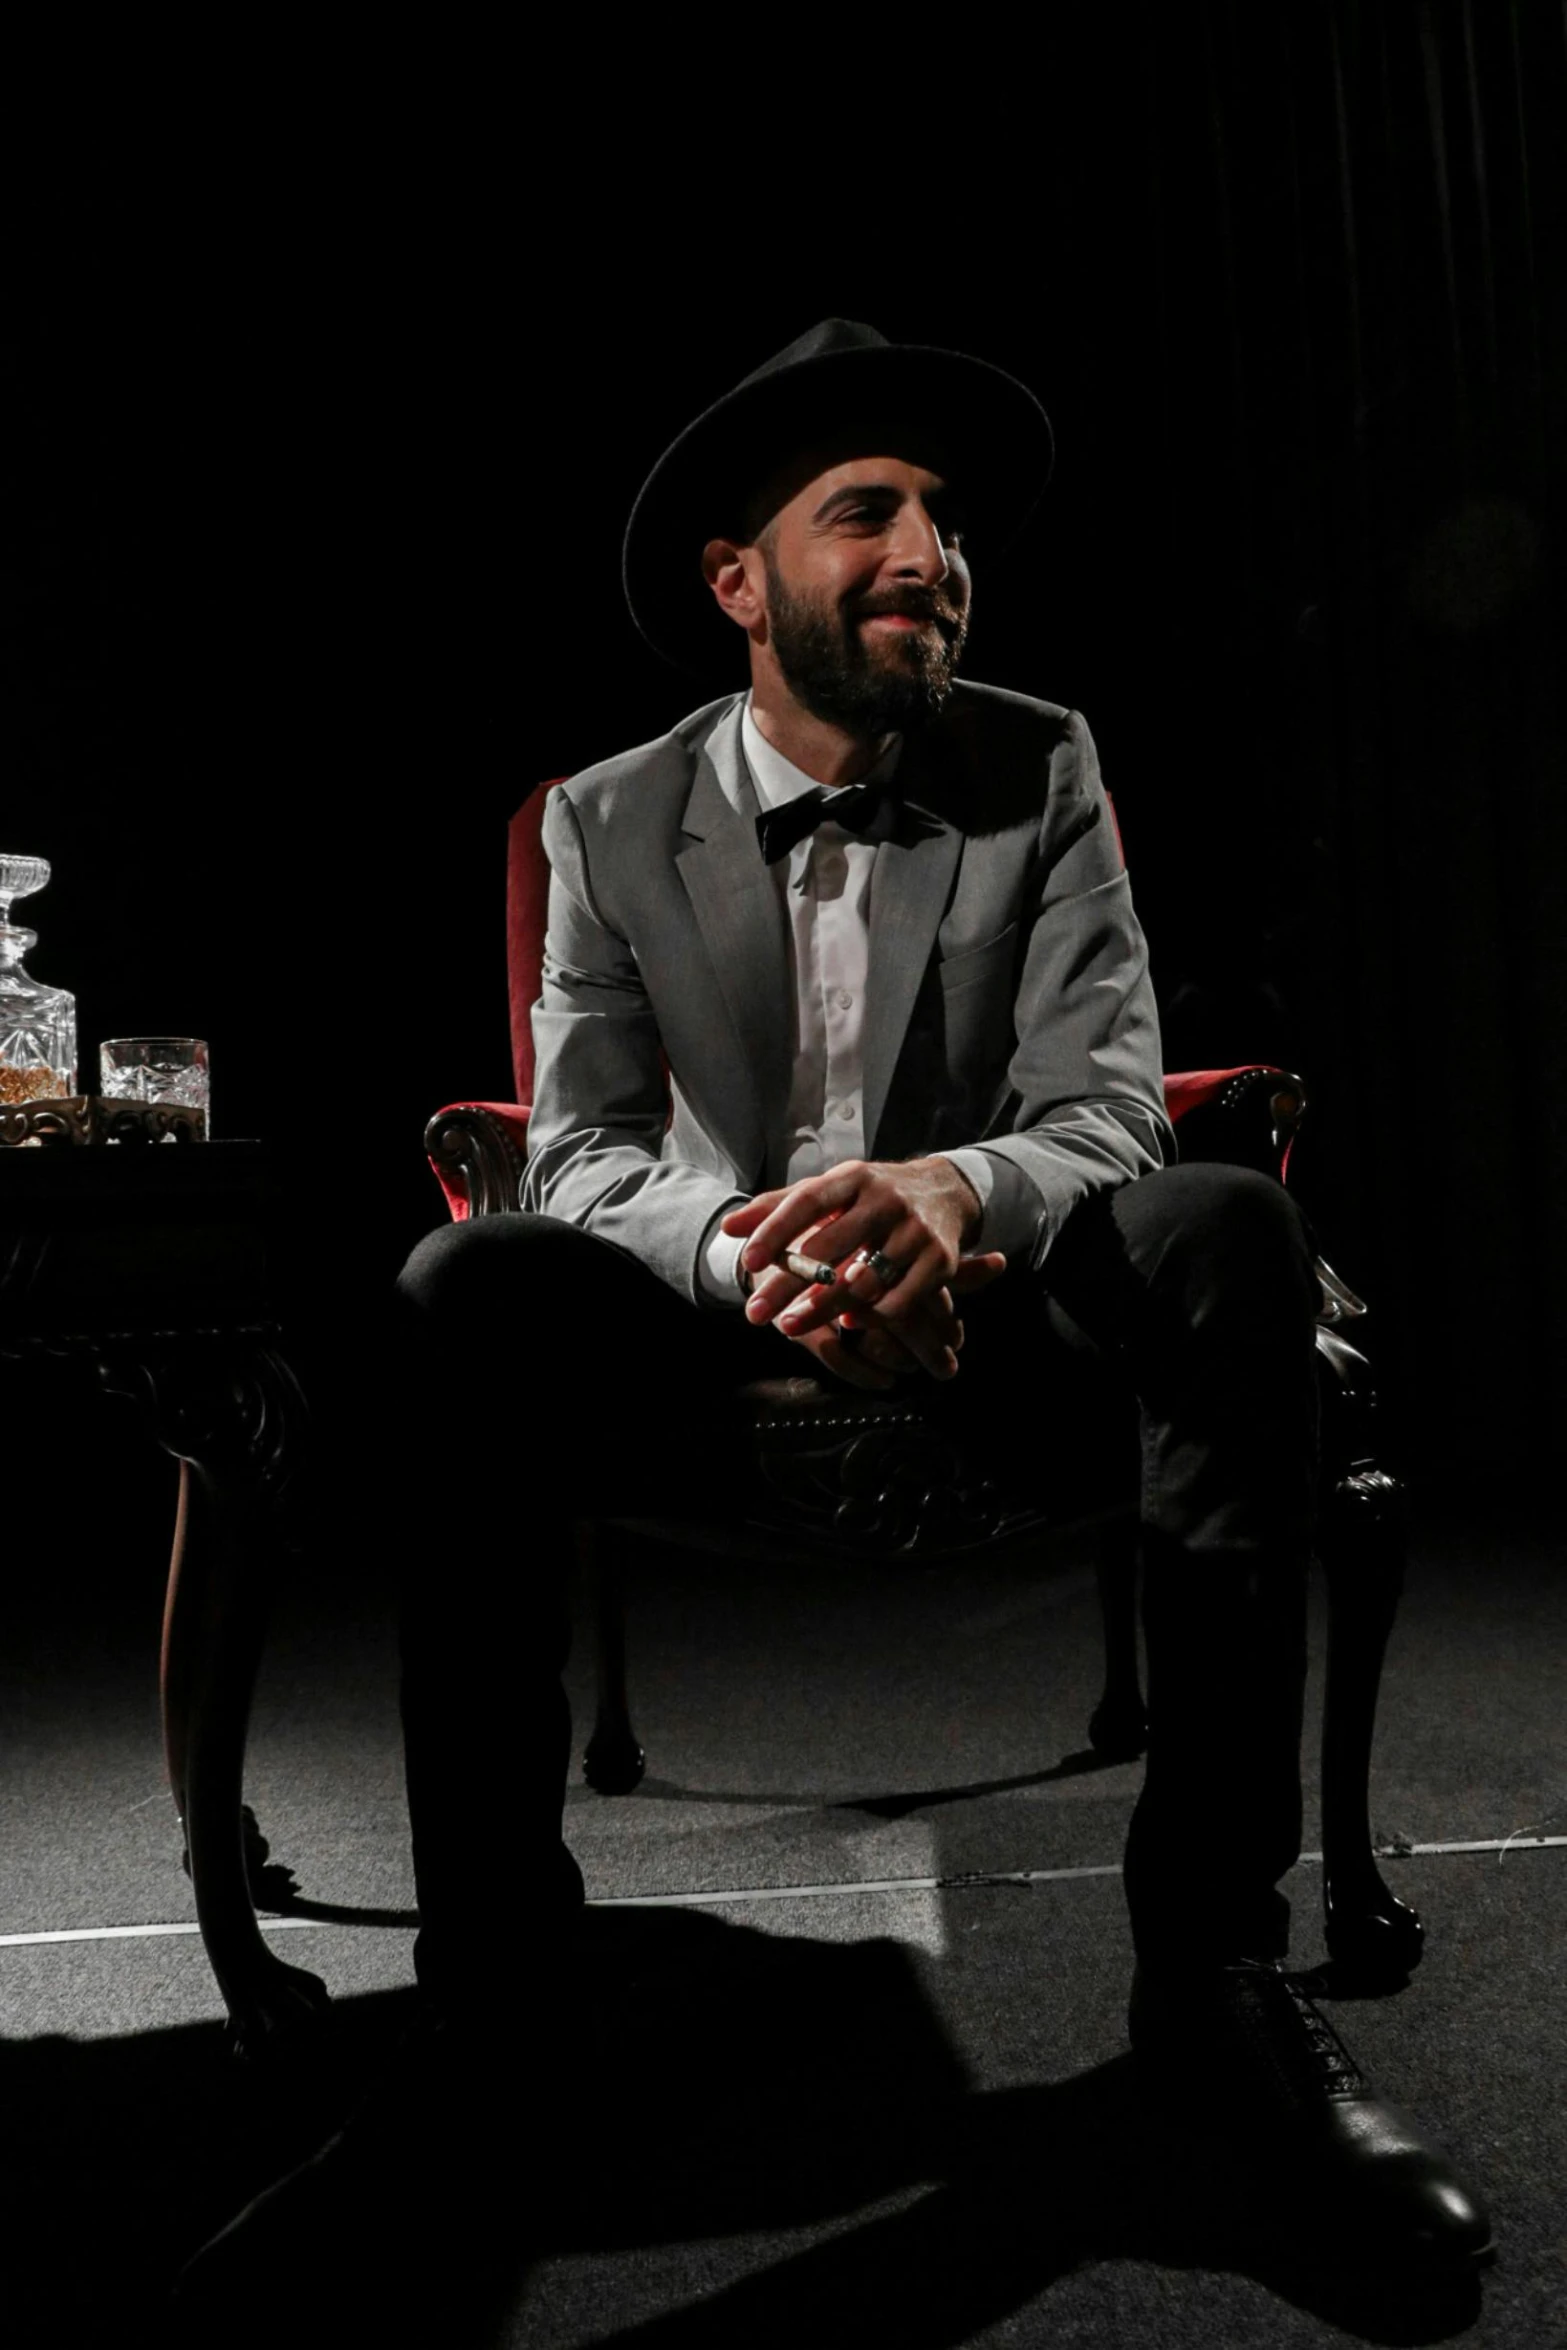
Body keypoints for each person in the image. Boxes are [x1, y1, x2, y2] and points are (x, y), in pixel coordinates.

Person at [181, 319, 1490, 2312]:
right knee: (469, 1278)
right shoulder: (601, 818)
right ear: (740, 581)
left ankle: (1210, 1987)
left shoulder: (1043, 765)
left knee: (1221, 1222)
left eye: (948, 520)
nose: (930, 553)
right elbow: (592, 1151)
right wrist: (766, 1255)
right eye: (866, 508)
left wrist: (951, 1196)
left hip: (1003, 1307)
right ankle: (488, 2033)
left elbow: (1107, 1105)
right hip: (702, 1324)